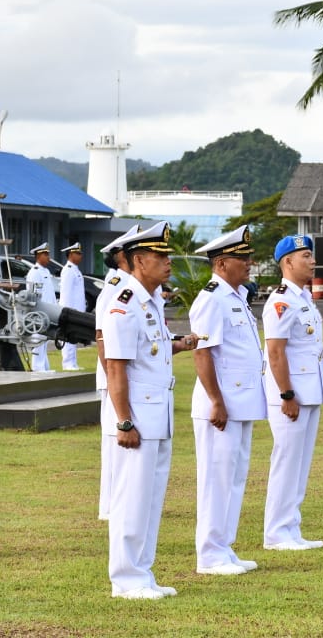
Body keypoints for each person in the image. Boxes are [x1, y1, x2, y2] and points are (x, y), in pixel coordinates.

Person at [102, 221, 199, 600]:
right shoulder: (124, 304)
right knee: (131, 498)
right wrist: (124, 420)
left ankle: (142, 572)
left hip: (158, 415)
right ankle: (125, 578)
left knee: (151, 498)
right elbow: (116, 367)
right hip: (137, 418)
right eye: (160, 256)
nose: (168, 262)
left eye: (167, 255)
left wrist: (179, 346)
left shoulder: (150, 301)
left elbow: (149, 352)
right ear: (139, 260)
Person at [189, 225, 266, 575]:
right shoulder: (211, 298)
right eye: (243, 258)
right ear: (222, 263)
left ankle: (224, 546)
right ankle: (209, 554)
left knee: (234, 476)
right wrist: (215, 400)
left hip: (241, 401)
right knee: (216, 478)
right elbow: (203, 353)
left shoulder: (235, 297)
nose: (249, 263)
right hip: (221, 404)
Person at [262, 234, 323, 551]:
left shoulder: (303, 299)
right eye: (306, 256)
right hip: (291, 396)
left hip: (309, 391)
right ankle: (276, 532)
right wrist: (287, 394)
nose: (312, 261)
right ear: (288, 262)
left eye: (312, 255)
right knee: (286, 462)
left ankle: (291, 527)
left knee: (300, 463)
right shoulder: (281, 301)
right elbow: (276, 352)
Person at [95, 224, 140, 521]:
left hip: (123, 375)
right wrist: (111, 378)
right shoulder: (116, 287)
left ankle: (119, 503)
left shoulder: (129, 285)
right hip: (114, 375)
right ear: (123, 255)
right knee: (114, 441)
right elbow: (101, 336)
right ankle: (111, 506)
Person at [25, 241, 56, 372]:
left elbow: (49, 292)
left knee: (44, 339)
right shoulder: (34, 272)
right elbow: (33, 294)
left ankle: (44, 366)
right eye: (45, 254)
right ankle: (37, 367)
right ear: (38, 256)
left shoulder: (45, 271)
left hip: (48, 311)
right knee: (37, 339)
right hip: (38, 311)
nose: (48, 257)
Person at [59, 242, 86, 370]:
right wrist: (66, 311)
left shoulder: (75, 269)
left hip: (77, 310)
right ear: (70, 254)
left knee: (74, 337)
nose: (81, 256)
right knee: (68, 337)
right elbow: (66, 293)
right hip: (70, 310)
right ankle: (67, 363)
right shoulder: (68, 270)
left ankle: (73, 363)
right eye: (78, 253)